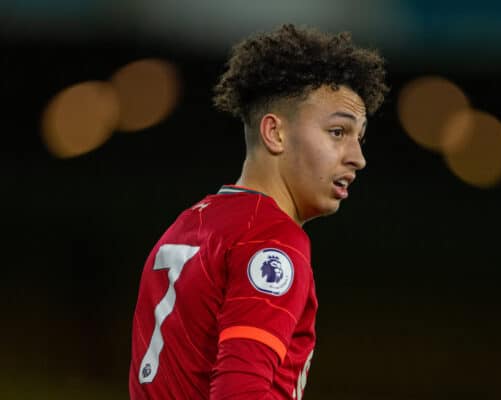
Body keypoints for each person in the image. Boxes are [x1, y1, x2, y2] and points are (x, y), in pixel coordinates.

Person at [129, 24, 388, 399]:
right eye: (337, 132)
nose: (358, 158)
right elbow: (240, 391)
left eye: (359, 138)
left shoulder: (189, 224)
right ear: (275, 133)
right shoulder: (272, 239)